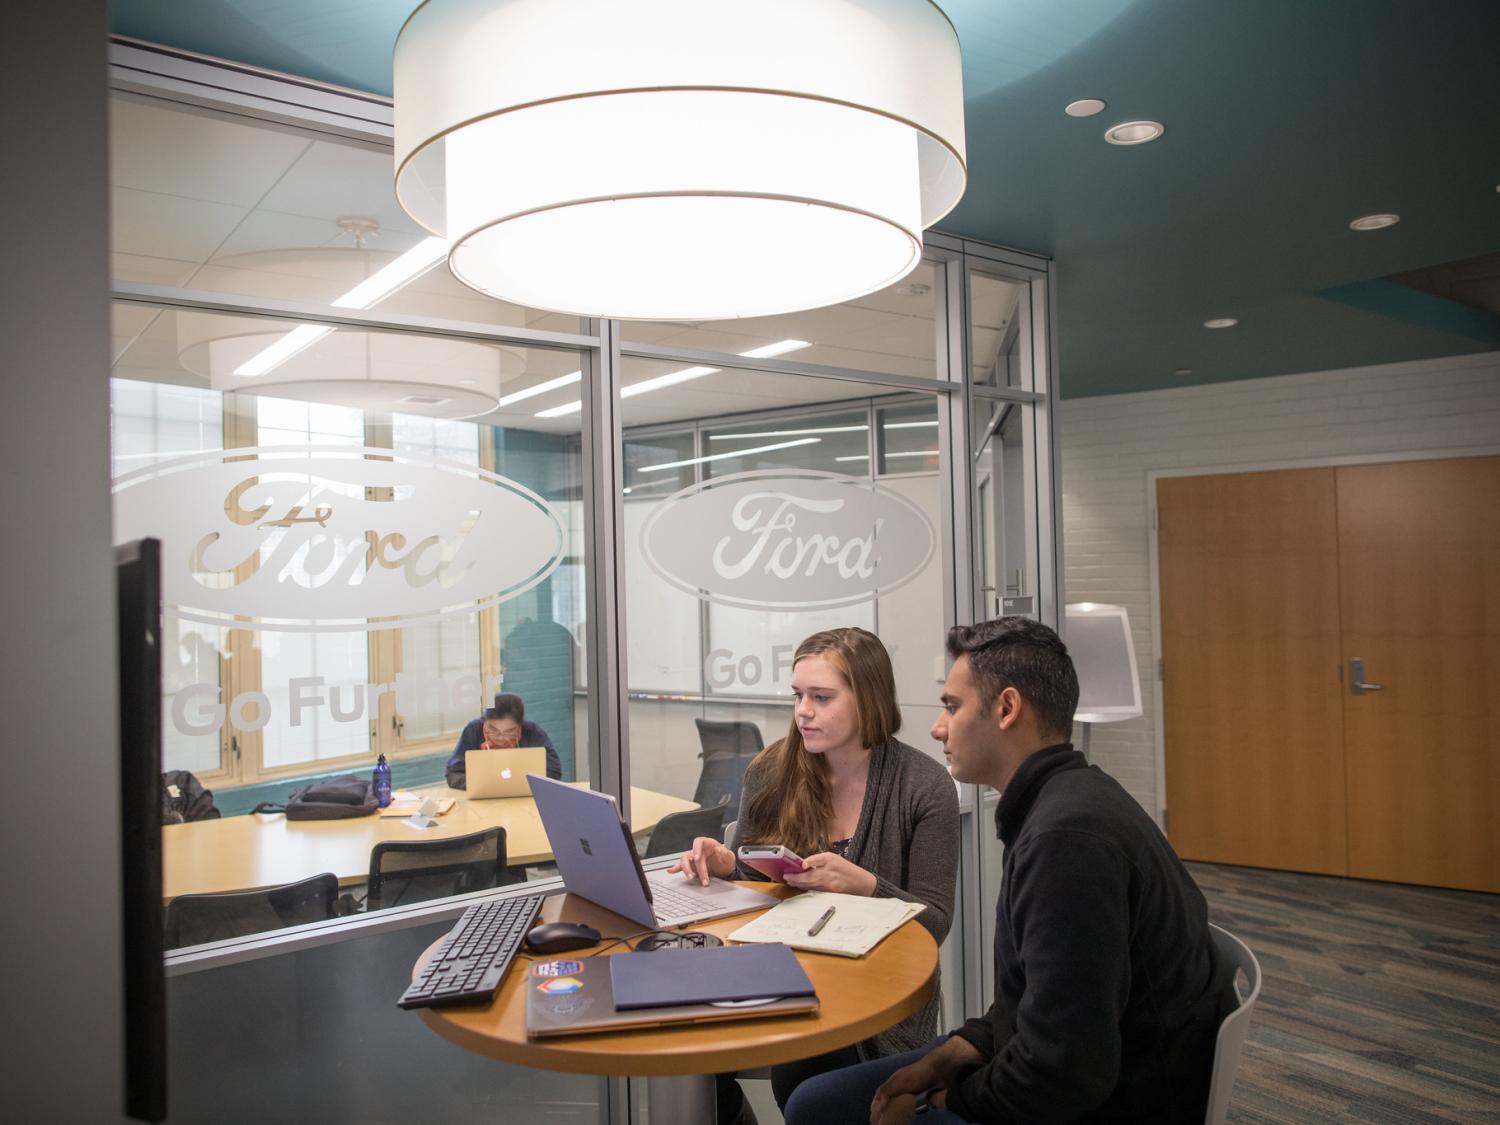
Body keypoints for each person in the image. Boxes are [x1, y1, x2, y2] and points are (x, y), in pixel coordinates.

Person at [784, 617, 1238, 1125]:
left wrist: (942, 1101)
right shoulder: (1066, 802)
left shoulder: (1067, 841)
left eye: (952, 707)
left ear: (1006, 709)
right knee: (812, 1103)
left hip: (1109, 1103)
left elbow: (1065, 1070)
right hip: (1070, 1070)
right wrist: (950, 1055)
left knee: (822, 1110)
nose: (938, 728)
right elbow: (1038, 1003)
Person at [671, 627, 959, 1119]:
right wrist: (726, 865)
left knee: (810, 1081)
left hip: (873, 995)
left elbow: (934, 925)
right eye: (798, 695)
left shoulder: (923, 786)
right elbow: (751, 885)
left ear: (868, 700)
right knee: (688, 1055)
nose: (803, 711)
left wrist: (865, 885)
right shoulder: (771, 770)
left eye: (821, 698)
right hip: (773, 977)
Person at [444, 692, 561, 788]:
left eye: (509, 731)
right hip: (483, 799)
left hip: (523, 799)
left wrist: (519, 785)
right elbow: (453, 773)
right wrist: (480, 786)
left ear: (520, 726)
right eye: (493, 730)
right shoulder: (473, 730)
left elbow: (554, 771)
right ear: (484, 721)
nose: (501, 738)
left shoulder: (532, 732)